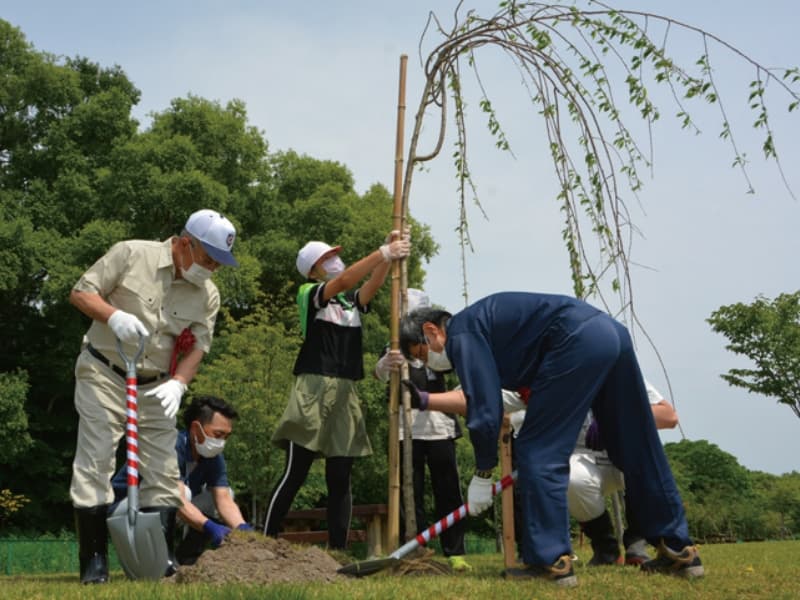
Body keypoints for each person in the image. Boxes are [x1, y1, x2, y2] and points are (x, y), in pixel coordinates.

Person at [399, 293, 703, 587]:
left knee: (537, 448)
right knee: (636, 441)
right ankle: (679, 550)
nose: (429, 364)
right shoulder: (489, 327)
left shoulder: (462, 333)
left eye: (423, 354)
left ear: (432, 330)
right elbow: (493, 398)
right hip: (611, 334)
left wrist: (482, 472)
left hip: (575, 339)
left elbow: (484, 406)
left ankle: (550, 560)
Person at [68, 209, 238, 584]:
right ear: (183, 244)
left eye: (219, 263)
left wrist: (178, 383)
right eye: (208, 259)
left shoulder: (208, 294)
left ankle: (159, 562)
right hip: (104, 372)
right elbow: (81, 292)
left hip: (157, 385)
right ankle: (94, 563)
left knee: (163, 470)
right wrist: (113, 317)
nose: (212, 269)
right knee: (96, 460)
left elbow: (198, 348)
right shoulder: (131, 254)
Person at [263, 231, 411, 548]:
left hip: (347, 389)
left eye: (335, 256)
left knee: (341, 476)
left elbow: (369, 288)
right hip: (314, 384)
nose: (335, 261)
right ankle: (266, 539)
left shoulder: (349, 303)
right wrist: (382, 252)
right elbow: (343, 281)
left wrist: (389, 253)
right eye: (327, 258)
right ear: (313, 270)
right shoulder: (311, 292)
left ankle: (337, 550)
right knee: (296, 471)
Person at [508, 380, 679, 566]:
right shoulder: (550, 374)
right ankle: (605, 547)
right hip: (583, 460)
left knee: (645, 457)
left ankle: (637, 542)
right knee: (571, 479)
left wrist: (614, 418)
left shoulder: (619, 369)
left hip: (624, 457)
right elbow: (492, 403)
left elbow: (669, 417)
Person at [375, 289, 471, 572]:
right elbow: (378, 374)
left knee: (448, 491)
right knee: (410, 491)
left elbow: (455, 367)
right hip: (407, 430)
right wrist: (384, 365)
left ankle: (455, 550)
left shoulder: (439, 345)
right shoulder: (394, 345)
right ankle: (414, 546)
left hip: (439, 426)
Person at [111, 395, 253, 568]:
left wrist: (242, 529)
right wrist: (210, 527)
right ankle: (162, 560)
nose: (221, 442)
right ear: (195, 428)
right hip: (126, 509)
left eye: (226, 437)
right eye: (217, 434)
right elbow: (175, 497)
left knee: (222, 496)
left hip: (162, 508)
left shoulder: (213, 458)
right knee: (181, 493)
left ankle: (186, 558)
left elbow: (223, 498)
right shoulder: (168, 446)